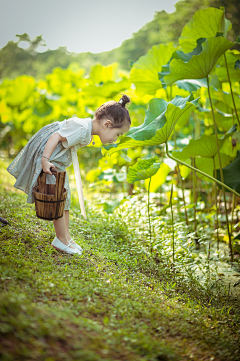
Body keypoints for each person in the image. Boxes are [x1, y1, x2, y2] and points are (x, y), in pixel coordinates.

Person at [7, 94, 131, 255]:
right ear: (107, 124)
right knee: (58, 197)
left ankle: (66, 238)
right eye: (118, 134)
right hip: (50, 160)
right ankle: (60, 239)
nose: (116, 139)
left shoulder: (87, 128)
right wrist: (45, 160)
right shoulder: (82, 128)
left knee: (65, 198)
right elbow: (55, 136)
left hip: (56, 162)